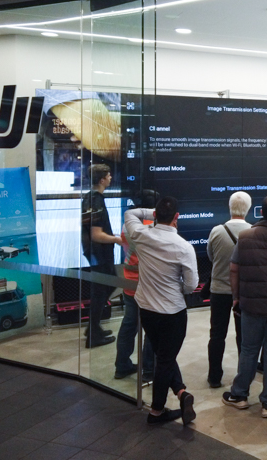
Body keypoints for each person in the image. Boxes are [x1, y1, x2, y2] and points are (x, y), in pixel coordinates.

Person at [125, 196, 198, 425]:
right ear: (177, 217)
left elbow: (130, 214)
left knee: (163, 355)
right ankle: (156, 411)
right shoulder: (184, 247)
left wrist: (154, 212)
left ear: (155, 215)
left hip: (147, 309)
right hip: (173, 312)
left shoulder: (141, 235)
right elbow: (191, 285)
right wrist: (178, 287)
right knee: (165, 359)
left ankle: (181, 392)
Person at [222, 194, 267, 418]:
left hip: (251, 304)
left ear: (260, 212)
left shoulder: (245, 236)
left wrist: (236, 297)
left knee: (249, 350)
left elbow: (234, 268)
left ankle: (240, 395)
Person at [206, 191, 252, 388]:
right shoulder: (252, 232)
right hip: (243, 293)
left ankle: (214, 376)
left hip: (218, 290)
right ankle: (243, 378)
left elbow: (211, 256)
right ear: (248, 209)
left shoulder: (216, 231)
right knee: (244, 338)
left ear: (230, 207)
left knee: (217, 335)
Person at [114, 189, 157, 381]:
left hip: (129, 282)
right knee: (152, 327)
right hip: (148, 284)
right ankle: (148, 370)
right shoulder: (154, 226)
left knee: (129, 325)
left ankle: (122, 365)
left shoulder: (128, 225)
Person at [82, 163, 122, 348]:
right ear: (101, 179)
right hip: (99, 253)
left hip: (96, 253)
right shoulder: (95, 201)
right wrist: (117, 239)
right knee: (101, 290)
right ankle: (93, 333)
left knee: (103, 288)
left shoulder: (90, 198)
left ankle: (93, 327)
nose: (110, 178)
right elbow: (96, 235)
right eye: (108, 175)